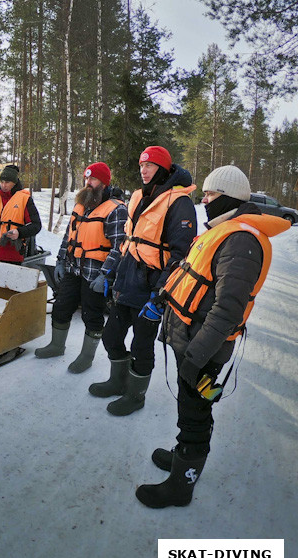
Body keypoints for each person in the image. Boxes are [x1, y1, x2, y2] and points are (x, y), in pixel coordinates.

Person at [136, 165, 290, 508]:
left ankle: (181, 484)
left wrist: (196, 355)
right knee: (189, 403)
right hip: (189, 338)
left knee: (195, 410)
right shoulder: (224, 230)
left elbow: (228, 310)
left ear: (229, 198)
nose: (204, 200)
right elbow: (192, 273)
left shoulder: (242, 241)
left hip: (203, 346)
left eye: (210, 195)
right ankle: (182, 456)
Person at [89, 146, 197, 415]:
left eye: (149, 166)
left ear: (162, 168)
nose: (143, 171)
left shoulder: (179, 201)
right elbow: (126, 241)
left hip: (152, 284)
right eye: (141, 166)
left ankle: (136, 396)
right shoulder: (137, 197)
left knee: (141, 344)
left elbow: (181, 253)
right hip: (127, 277)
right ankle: (118, 381)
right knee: (112, 335)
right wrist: (110, 273)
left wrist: (160, 295)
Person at [35, 162, 127, 373]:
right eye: (86, 179)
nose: (88, 184)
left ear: (104, 183)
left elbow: (120, 246)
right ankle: (57, 345)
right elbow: (68, 237)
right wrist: (60, 261)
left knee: (91, 315)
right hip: (72, 269)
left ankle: (86, 357)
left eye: (93, 180)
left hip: (95, 275)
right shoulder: (81, 205)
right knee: (61, 307)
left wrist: (106, 275)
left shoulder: (116, 209)